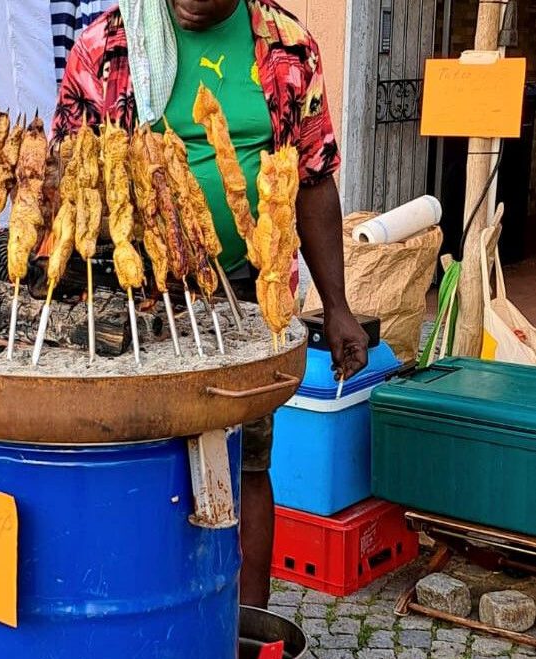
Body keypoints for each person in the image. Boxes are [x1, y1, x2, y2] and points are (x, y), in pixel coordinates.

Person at [53, 0, 369, 607]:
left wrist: (338, 305)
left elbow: (313, 177)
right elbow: (70, 176)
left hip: (249, 294)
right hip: (134, 297)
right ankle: (142, 612)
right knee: (140, 459)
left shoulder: (288, 44)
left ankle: (243, 628)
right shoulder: (108, 44)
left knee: (246, 459)